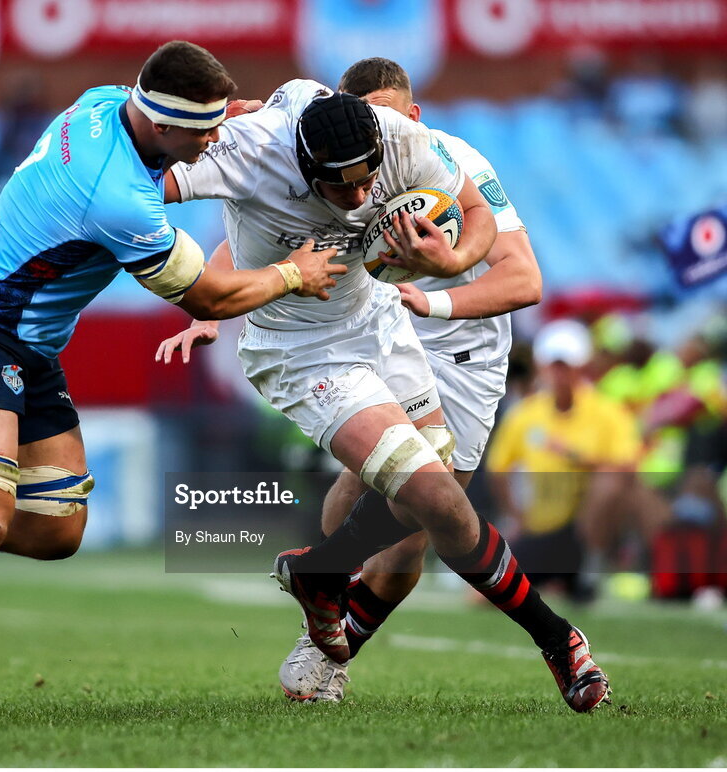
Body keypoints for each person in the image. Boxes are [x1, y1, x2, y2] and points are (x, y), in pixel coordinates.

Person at [0, 40, 344, 726]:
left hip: (26, 344)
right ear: (161, 124)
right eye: (206, 128)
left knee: (57, 529)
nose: (217, 138)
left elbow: (176, 131)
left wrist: (233, 119)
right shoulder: (115, 196)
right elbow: (210, 299)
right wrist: (292, 273)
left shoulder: (102, 101)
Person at [154, 73, 609, 712]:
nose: (367, 192)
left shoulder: (417, 147)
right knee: (423, 493)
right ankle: (558, 641)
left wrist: (444, 276)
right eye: (345, 181)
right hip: (315, 344)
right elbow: (181, 196)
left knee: (430, 512)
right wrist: (207, 303)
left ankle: (324, 577)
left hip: (426, 335)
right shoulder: (259, 150)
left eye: (373, 167)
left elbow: (506, 255)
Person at [488, 319, 644, 600]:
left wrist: (573, 456)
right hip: (543, 527)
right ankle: (564, 576)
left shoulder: (608, 412)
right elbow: (497, 470)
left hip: (584, 525)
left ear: (582, 367)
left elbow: (626, 467)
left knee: (610, 482)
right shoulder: (526, 414)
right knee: (489, 595)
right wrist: (516, 517)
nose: (560, 374)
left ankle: (589, 568)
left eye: (567, 365)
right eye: (554, 365)